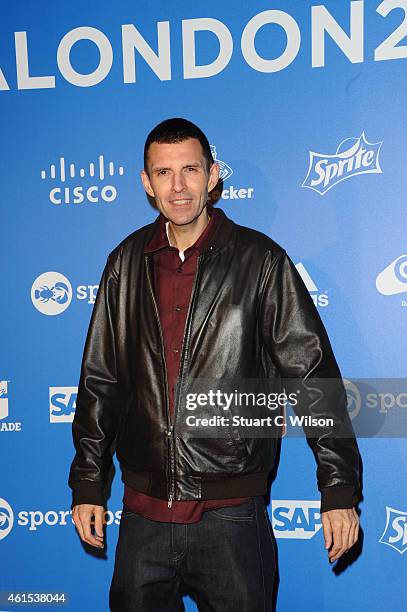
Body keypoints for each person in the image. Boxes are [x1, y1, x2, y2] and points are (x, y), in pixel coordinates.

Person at [69, 118, 361, 611]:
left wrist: (338, 488)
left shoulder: (261, 261)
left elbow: (311, 375)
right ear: (146, 183)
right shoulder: (124, 263)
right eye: (163, 173)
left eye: (190, 169)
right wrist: (87, 482)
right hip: (143, 516)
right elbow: (102, 382)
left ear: (213, 176)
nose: (178, 186)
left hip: (230, 520)